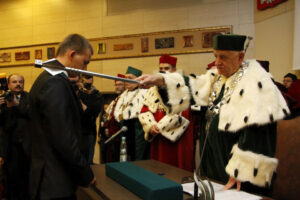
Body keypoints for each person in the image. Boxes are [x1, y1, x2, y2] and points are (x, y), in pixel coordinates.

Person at [137, 34, 289, 196]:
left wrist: (243, 168)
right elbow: (191, 84)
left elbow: (260, 133)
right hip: (214, 167)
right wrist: (160, 79)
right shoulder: (219, 79)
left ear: (240, 57)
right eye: (215, 56)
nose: (217, 62)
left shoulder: (257, 83)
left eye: (223, 57)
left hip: (239, 177)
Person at [28, 34, 96, 200]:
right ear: (72, 54)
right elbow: (63, 138)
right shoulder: (55, 83)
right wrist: (85, 173)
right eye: (85, 61)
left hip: (49, 180)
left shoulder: (48, 79)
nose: (85, 69)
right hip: (54, 184)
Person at [138, 55, 195, 171]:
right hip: (158, 139)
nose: (163, 72)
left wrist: (159, 126)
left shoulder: (183, 88)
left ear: (174, 70)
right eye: (161, 69)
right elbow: (144, 111)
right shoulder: (152, 91)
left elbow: (183, 115)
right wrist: (150, 126)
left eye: (166, 68)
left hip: (178, 140)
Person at [0, 74, 30, 200]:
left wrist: (17, 105)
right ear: (8, 84)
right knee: (11, 180)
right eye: (14, 82)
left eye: (20, 82)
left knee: (27, 179)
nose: (18, 84)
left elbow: (32, 114)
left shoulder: (29, 97)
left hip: (27, 146)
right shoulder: (2, 98)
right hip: (9, 147)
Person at [114, 66, 149, 161]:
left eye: (130, 78)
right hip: (124, 129)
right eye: (125, 78)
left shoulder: (145, 93)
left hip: (138, 129)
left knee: (138, 156)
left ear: (138, 80)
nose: (126, 81)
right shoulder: (123, 95)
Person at [99, 74, 125, 163]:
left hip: (119, 135)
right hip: (110, 136)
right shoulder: (115, 100)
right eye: (116, 84)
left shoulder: (125, 99)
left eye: (120, 84)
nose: (117, 87)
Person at [78, 75, 103, 164]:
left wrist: (85, 108)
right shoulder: (78, 93)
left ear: (92, 81)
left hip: (90, 130)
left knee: (88, 159)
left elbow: (95, 111)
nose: (88, 83)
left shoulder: (97, 94)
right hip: (78, 130)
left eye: (89, 80)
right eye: (85, 81)